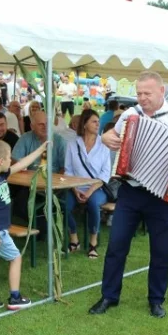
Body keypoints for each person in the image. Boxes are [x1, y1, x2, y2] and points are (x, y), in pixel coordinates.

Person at [90, 71, 168, 318]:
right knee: (117, 245)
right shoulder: (130, 115)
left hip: (163, 194)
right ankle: (109, 296)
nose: (142, 98)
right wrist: (107, 137)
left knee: (161, 250)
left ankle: (156, 299)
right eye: (138, 93)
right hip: (130, 189)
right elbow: (110, 135)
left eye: (147, 93)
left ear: (161, 91)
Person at [0, 137, 48, 309]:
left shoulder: (0, 174)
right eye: (8, 158)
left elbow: (21, 164)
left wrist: (40, 149)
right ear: (0, 161)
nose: (10, 161)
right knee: (16, 258)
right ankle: (15, 298)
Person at [63, 108, 111, 259]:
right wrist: (75, 189)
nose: (98, 124)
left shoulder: (104, 145)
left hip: (96, 187)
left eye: (98, 122)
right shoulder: (72, 144)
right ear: (84, 124)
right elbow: (68, 170)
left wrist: (90, 191)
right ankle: (74, 240)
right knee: (64, 205)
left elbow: (105, 174)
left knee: (93, 204)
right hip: (75, 186)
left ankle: (93, 243)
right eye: (94, 121)